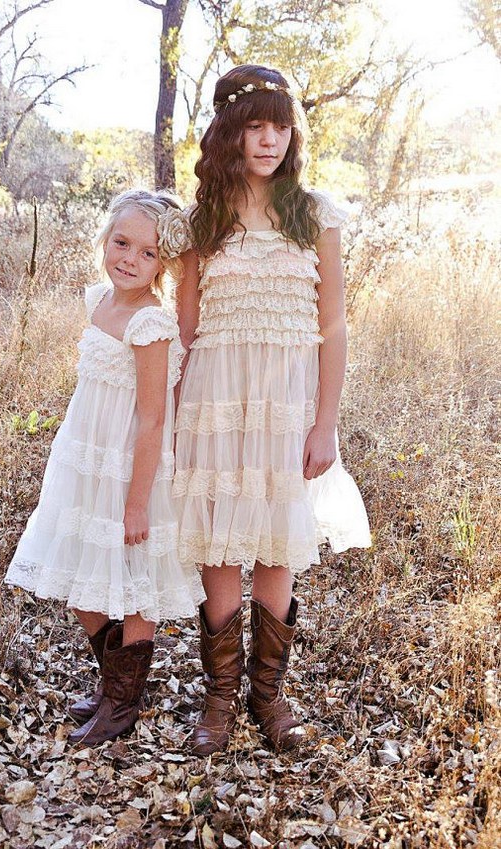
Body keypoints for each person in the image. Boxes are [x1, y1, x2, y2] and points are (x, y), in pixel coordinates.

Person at [173, 65, 371, 756]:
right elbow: (187, 327)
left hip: (289, 398)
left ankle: (269, 694)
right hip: (217, 398)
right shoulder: (203, 220)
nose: (269, 139)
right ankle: (220, 698)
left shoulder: (314, 214)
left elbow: (335, 326)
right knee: (222, 538)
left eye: (280, 125)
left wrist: (326, 421)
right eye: (254, 125)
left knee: (280, 536)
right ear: (230, 131)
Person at [5, 189, 205, 746]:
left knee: (136, 583)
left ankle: (121, 704)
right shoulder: (98, 301)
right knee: (82, 589)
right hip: (85, 461)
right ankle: (119, 681)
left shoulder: (150, 324)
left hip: (131, 471)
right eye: (122, 243)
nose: (129, 260)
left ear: (163, 263)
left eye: (147, 253)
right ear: (104, 240)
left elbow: (149, 419)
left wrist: (138, 500)